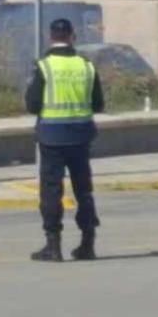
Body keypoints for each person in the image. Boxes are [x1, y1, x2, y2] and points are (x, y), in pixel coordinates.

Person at [24, 18, 105, 262]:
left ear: (51, 37)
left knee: (51, 190)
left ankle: (53, 244)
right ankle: (87, 243)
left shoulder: (44, 66)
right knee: (84, 190)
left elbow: (32, 104)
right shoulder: (86, 66)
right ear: (73, 36)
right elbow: (98, 103)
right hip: (81, 136)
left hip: (52, 137)